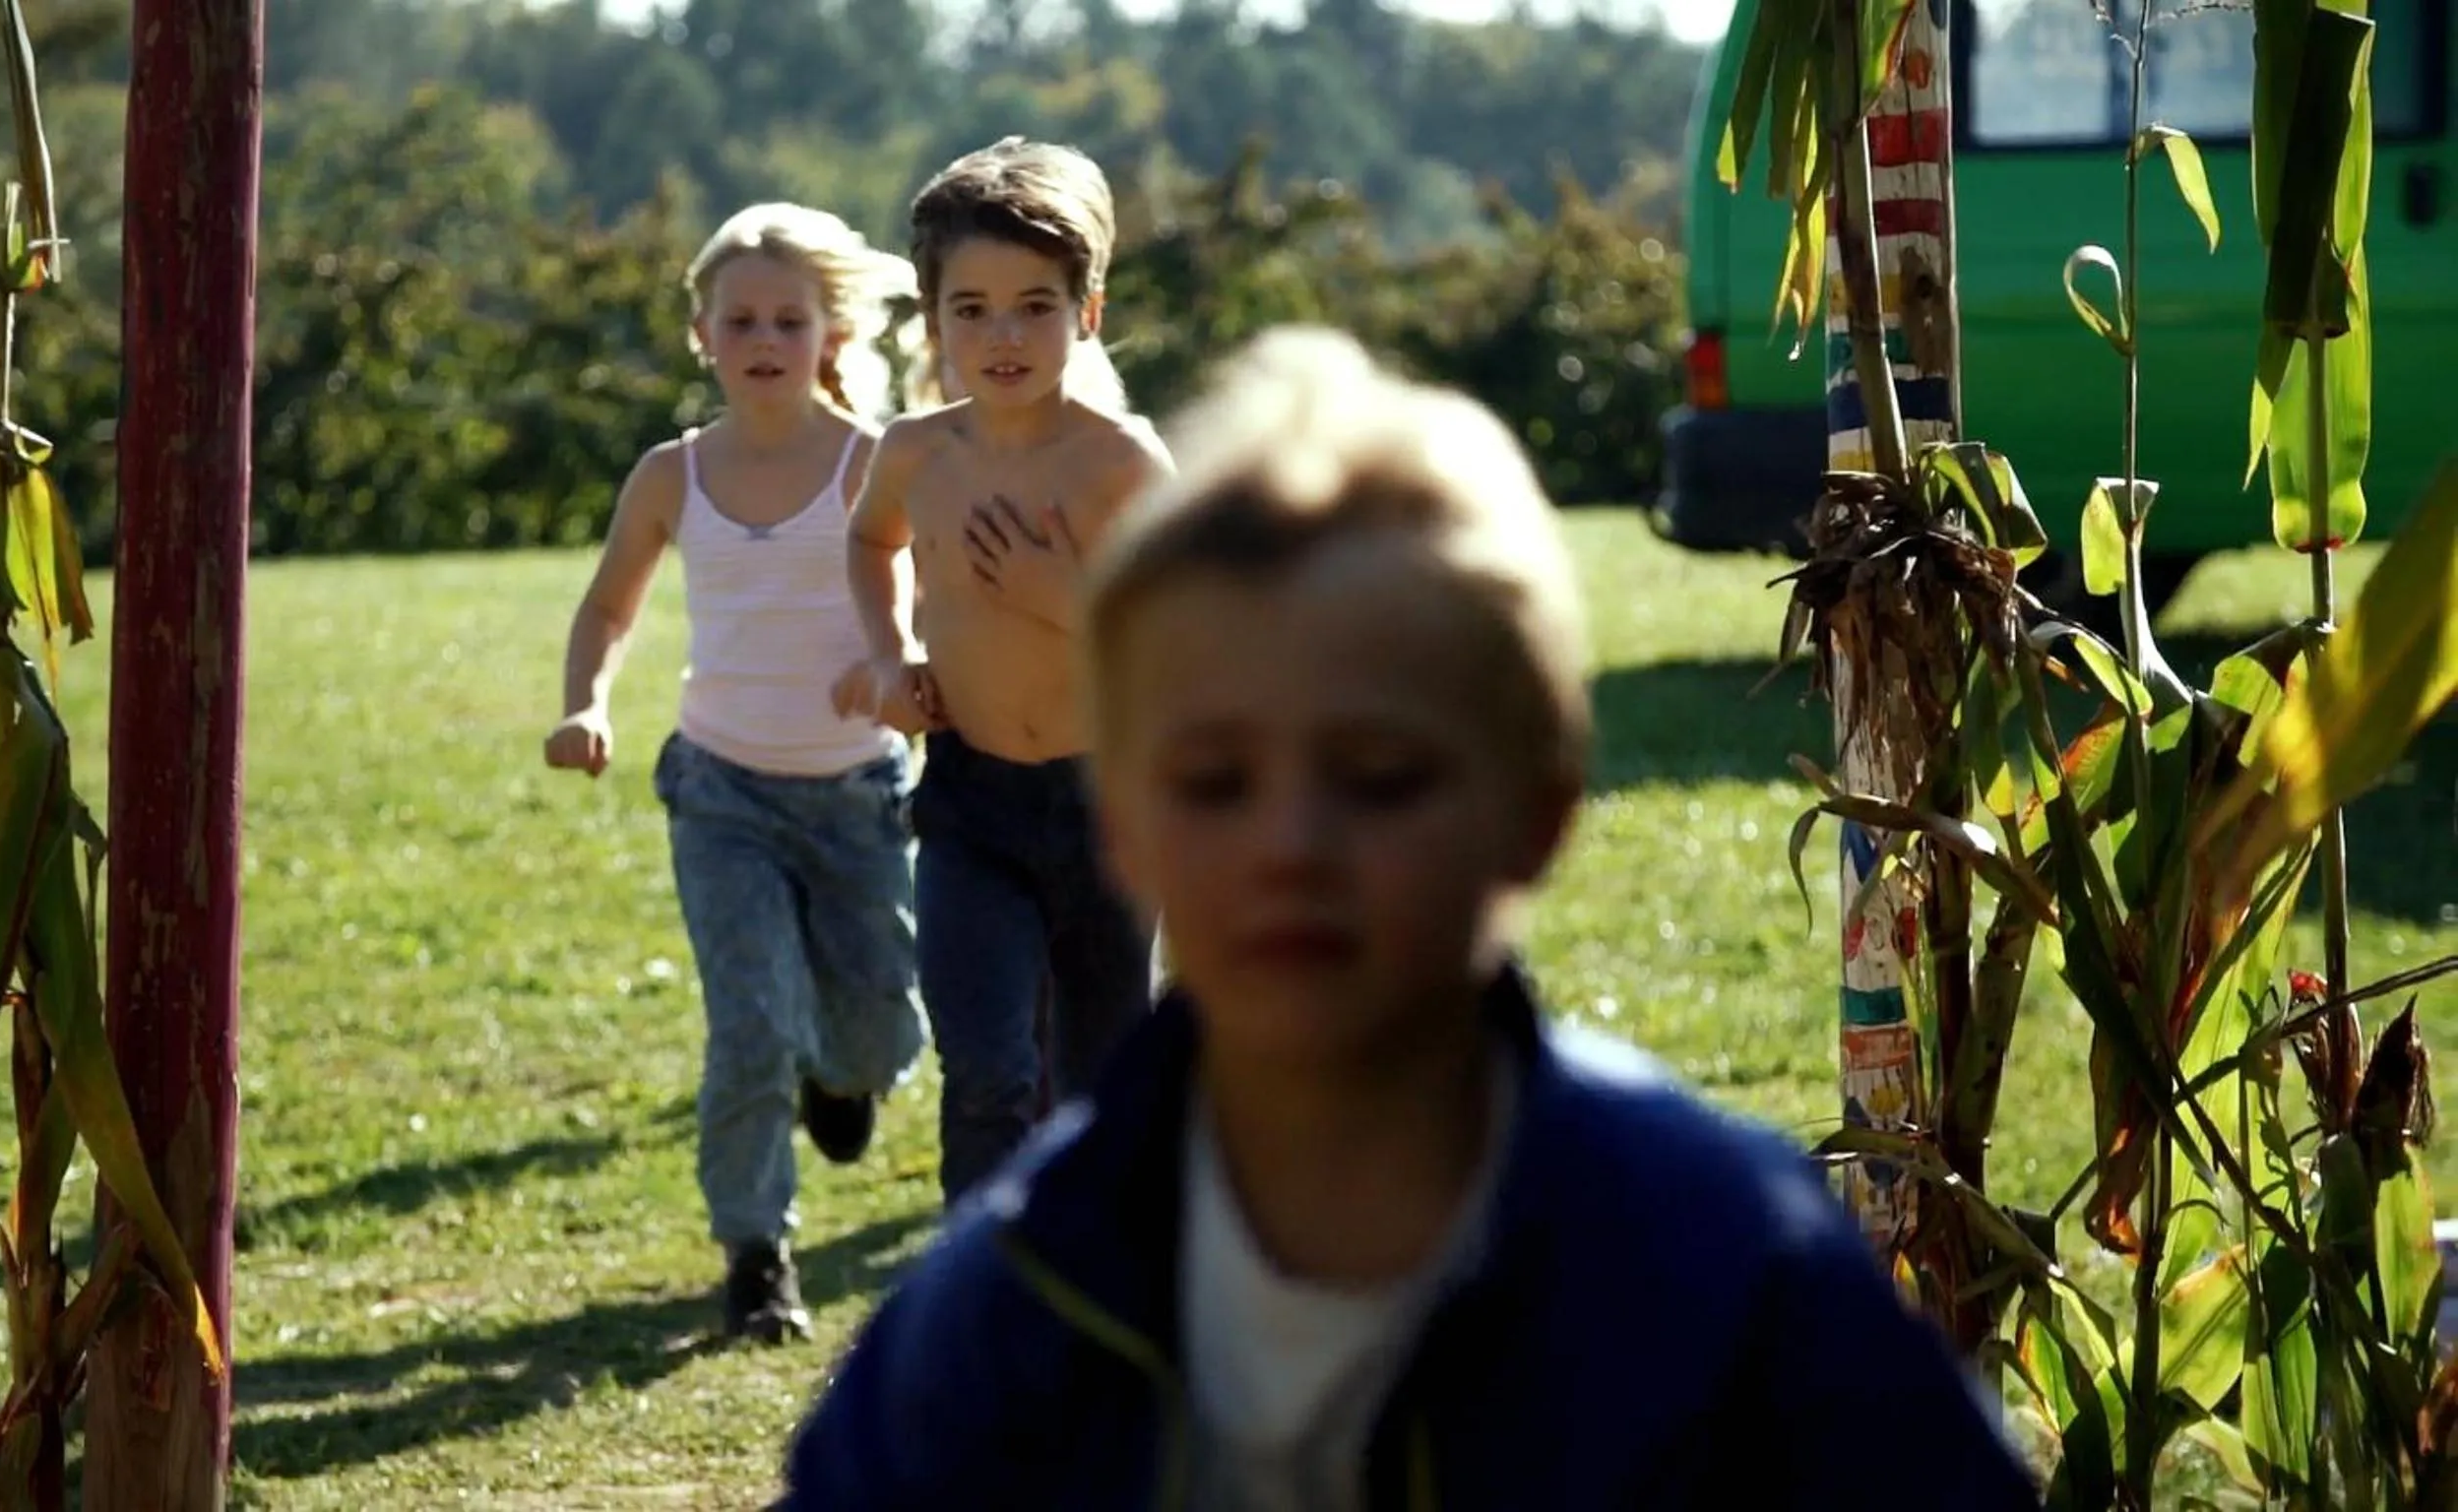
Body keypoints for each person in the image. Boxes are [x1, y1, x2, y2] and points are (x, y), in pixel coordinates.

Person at [781, 328, 2042, 1509]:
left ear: (1537, 809)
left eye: (1381, 777)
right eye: (1214, 783)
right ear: (1122, 825)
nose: (1291, 846)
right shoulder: (1019, 1295)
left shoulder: (1722, 1269)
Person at [544, 203, 934, 1346]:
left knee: (882, 1037)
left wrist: (896, 666)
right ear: (703, 336)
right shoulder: (672, 474)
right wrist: (585, 701)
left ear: (832, 335)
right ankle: (757, 1255)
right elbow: (610, 605)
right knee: (750, 1023)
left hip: (862, 795)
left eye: (789, 319)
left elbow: (922, 602)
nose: (765, 338)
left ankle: (844, 1074)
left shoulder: (875, 464)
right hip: (722, 794)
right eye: (742, 319)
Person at [831, 137, 1173, 1206]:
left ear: (1089, 311)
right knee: (985, 1071)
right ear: (931, 322)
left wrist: (1048, 594)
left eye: (1034, 304)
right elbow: (865, 543)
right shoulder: (916, 454)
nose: (1002, 335)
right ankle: (982, 1302)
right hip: (971, 805)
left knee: (1103, 1086)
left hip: (1108, 812)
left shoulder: (1122, 463)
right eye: (969, 309)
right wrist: (889, 661)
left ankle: (1116, 1296)